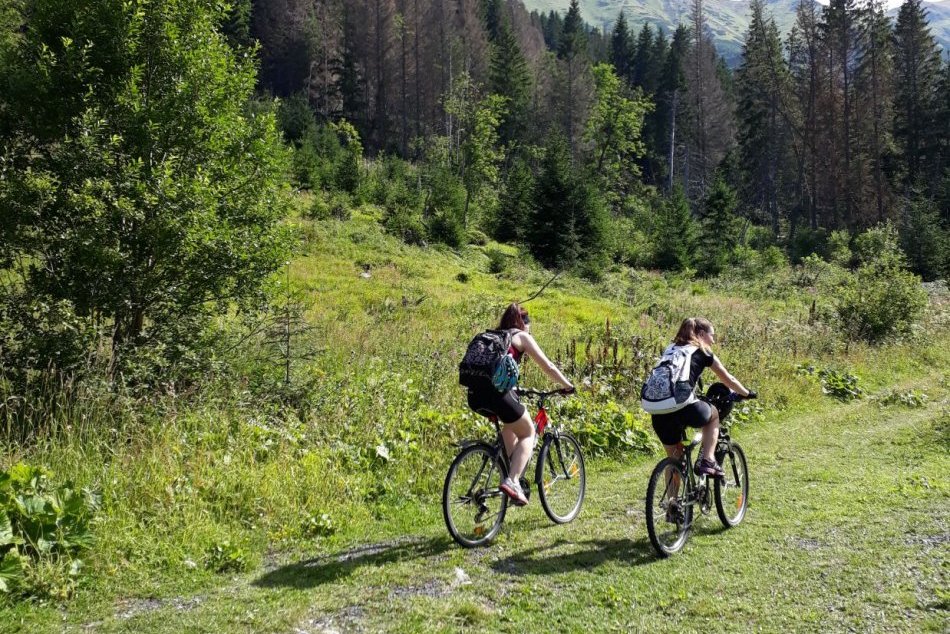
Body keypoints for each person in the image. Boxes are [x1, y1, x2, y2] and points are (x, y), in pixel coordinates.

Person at [466, 303, 574, 506]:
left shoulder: (495, 337)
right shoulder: (521, 336)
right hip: (497, 396)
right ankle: (513, 481)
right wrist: (567, 385)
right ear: (523, 324)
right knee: (528, 432)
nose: (530, 331)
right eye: (529, 327)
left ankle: (510, 475)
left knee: (511, 425)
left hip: (474, 396)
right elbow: (548, 366)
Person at [650, 317, 755, 477]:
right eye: (712, 335)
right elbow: (728, 379)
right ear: (701, 334)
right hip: (682, 406)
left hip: (658, 411)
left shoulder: (670, 349)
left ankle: (672, 501)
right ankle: (708, 460)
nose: (713, 340)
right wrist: (746, 393)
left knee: (675, 460)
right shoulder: (702, 351)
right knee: (713, 415)